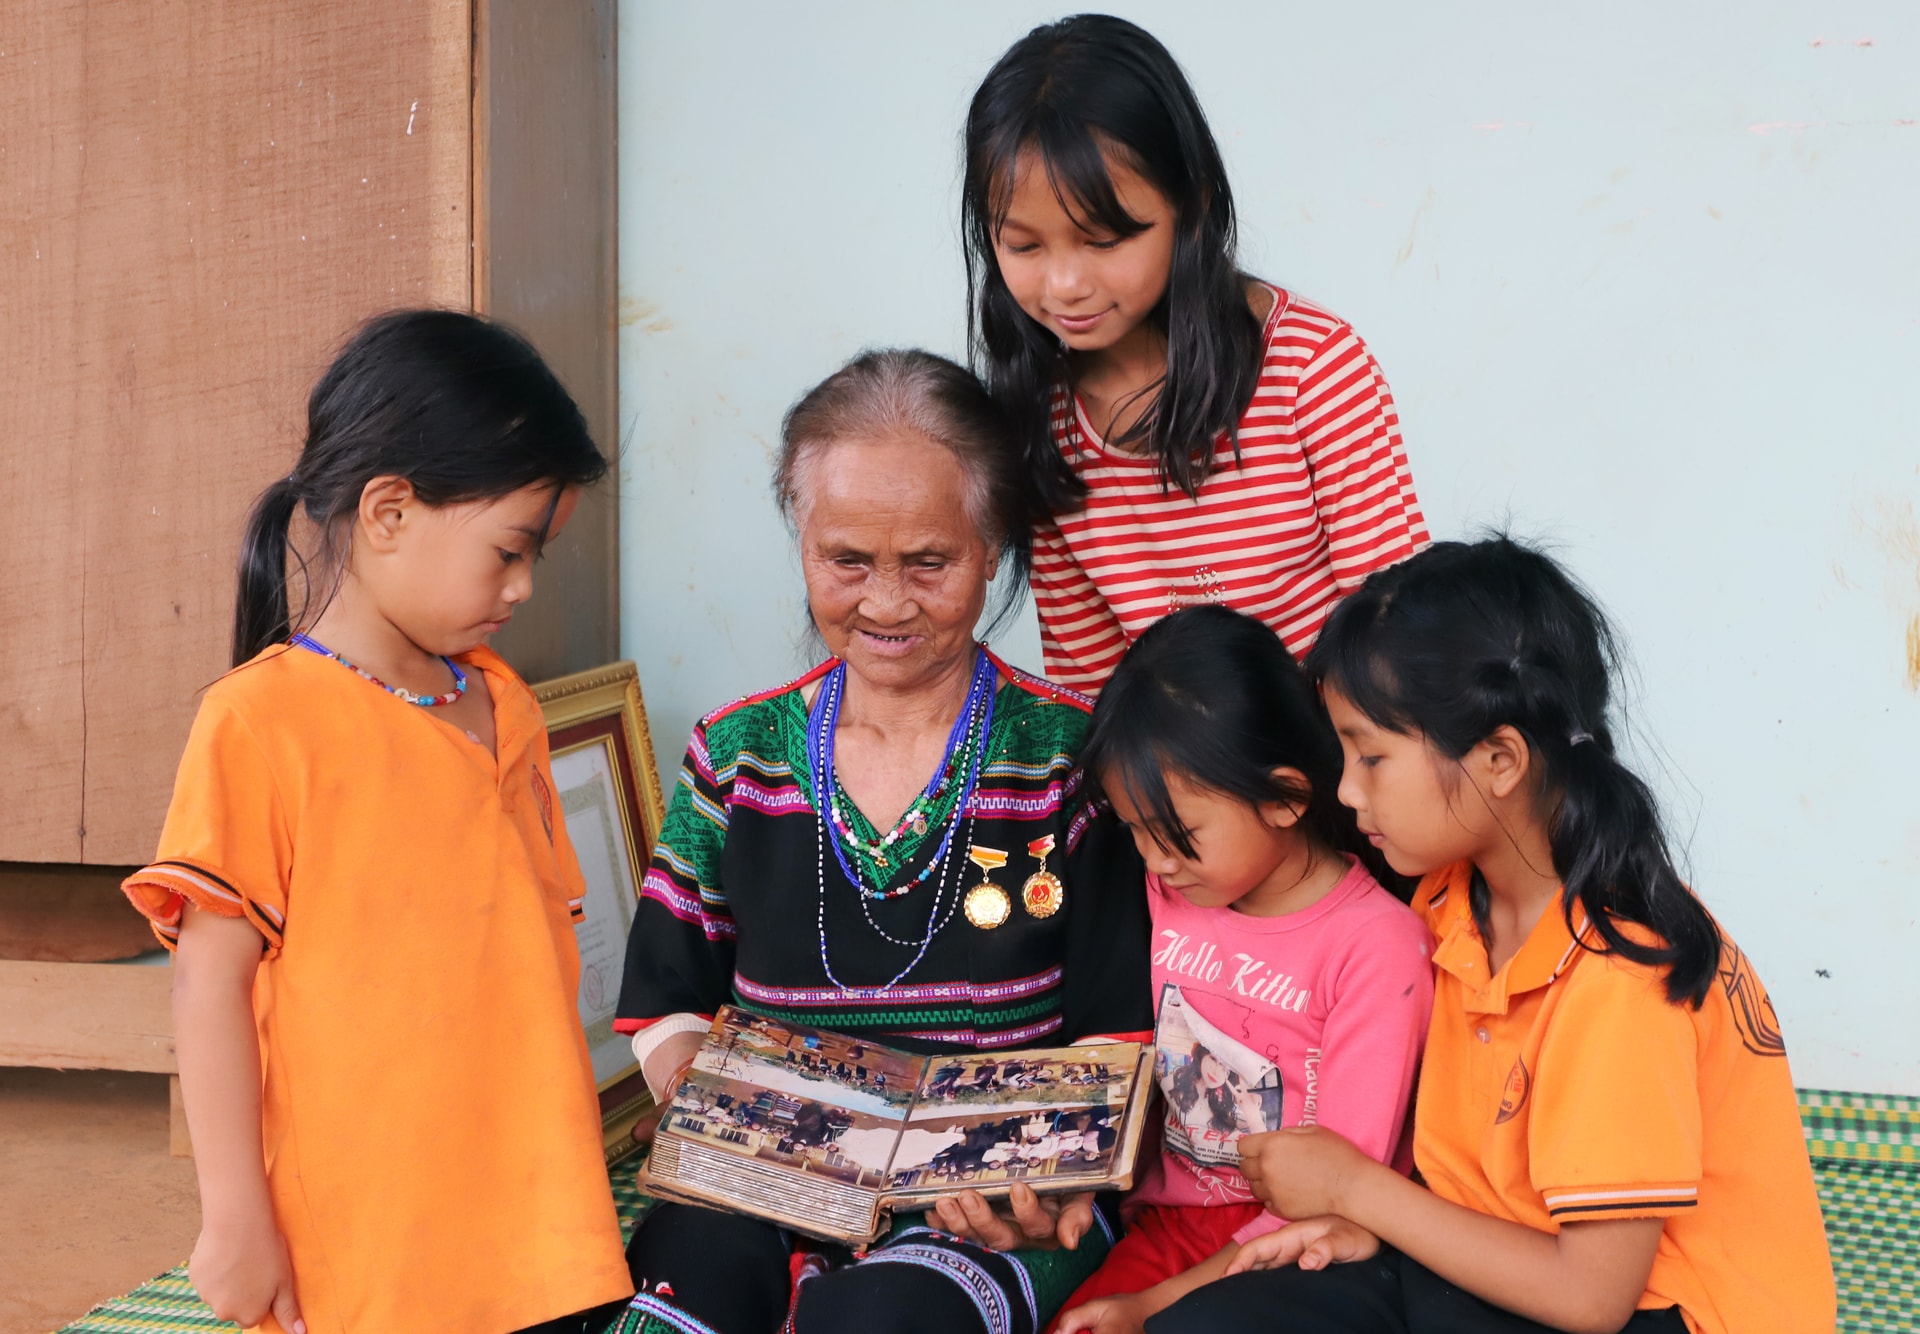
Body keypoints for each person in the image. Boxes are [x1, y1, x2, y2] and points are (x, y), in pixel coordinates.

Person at [1150, 538, 1838, 1333]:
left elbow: (1591, 1297)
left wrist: (1354, 1190)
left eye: (1372, 757)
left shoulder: (1617, 978)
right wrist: (1365, 1224)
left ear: (1500, 759)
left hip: (1656, 1310)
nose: (1347, 791)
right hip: (1479, 1257)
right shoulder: (1448, 898)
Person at [609, 349, 1154, 1334]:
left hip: (990, 1194)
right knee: (678, 1305)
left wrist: (1050, 1175)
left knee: (882, 1322)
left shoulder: (1070, 756)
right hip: (761, 1174)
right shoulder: (738, 753)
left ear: (992, 548)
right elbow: (669, 994)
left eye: (929, 562)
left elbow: (1119, 1026)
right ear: (803, 542)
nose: (887, 602)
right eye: (847, 560)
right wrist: (715, 1106)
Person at [120, 311, 632, 1333]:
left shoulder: (506, 705)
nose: (524, 586)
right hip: (377, 1252)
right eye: (509, 550)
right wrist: (235, 1218)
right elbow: (209, 984)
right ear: (389, 510)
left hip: (544, 1229)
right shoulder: (260, 722)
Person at [962, 15, 1430, 696]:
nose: (1063, 284)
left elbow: (1395, 632)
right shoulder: (1043, 422)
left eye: (1102, 240)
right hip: (1170, 764)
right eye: (1024, 246)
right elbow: (1094, 689)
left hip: (1346, 745)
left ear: (1194, 204)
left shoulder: (1311, 368)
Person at [1052, 605, 1433, 1334]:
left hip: (1301, 1245)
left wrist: (1151, 1306)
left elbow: (1341, 1193)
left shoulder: (1376, 946)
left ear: (1285, 799)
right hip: (1167, 1224)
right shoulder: (1168, 891)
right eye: (1136, 831)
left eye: (1179, 834)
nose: (1155, 860)